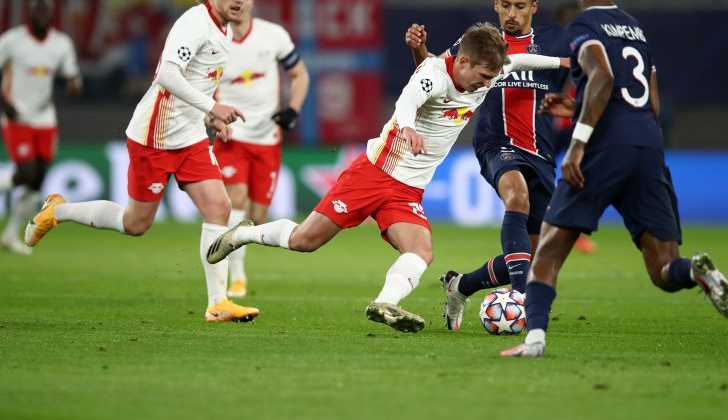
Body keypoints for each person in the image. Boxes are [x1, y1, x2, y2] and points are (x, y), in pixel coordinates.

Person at [206, 22, 569, 333]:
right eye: (482, 76)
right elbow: (406, 102)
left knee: (422, 250)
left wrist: (564, 62)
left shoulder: (489, 71)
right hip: (375, 173)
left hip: (408, 189)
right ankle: (245, 233)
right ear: (462, 61)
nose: (485, 84)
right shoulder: (434, 75)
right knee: (305, 240)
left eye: (491, 77)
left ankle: (384, 304)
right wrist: (408, 128)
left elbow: (520, 60)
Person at [502, 0, 728, 358]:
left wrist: (577, 143)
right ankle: (695, 273)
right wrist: (577, 107)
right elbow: (652, 103)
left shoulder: (583, 25)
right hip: (648, 144)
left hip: (603, 150)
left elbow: (603, 77)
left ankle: (534, 341)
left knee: (549, 251)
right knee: (663, 269)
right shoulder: (636, 30)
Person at [23, 0, 260, 323]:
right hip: (156, 135)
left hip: (190, 136)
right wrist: (212, 107)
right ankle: (58, 211)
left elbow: (197, 83)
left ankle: (218, 303)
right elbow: (166, 73)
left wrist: (212, 113)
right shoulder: (194, 23)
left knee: (219, 207)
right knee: (136, 224)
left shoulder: (224, 32)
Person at [404, 0, 592, 332]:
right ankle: (522, 299)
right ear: (495, 4)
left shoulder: (555, 43)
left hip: (540, 153)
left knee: (530, 256)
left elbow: (590, 75)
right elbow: (434, 76)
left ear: (534, 7)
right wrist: (420, 50)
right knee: (516, 197)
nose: (511, 13)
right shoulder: (476, 43)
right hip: (496, 144)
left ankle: (460, 286)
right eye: (505, 5)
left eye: (520, 6)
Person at [213, 0, 309, 298]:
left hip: (267, 139)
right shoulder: (215, 41)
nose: (241, 0)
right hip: (232, 137)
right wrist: (210, 114)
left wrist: (292, 110)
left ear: (252, 1)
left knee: (257, 217)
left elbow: (300, 75)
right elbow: (200, 86)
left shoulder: (273, 36)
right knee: (235, 201)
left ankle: (236, 262)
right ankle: (236, 276)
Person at [0, 0, 81, 255]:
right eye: (37, 11)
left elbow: (72, 76)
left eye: (46, 11)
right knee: (26, 173)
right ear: (29, 14)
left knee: (37, 179)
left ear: (51, 14)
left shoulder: (61, 43)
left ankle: (11, 235)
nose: (42, 16)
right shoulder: (12, 41)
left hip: (45, 118)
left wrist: (73, 86)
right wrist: (5, 103)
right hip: (17, 116)